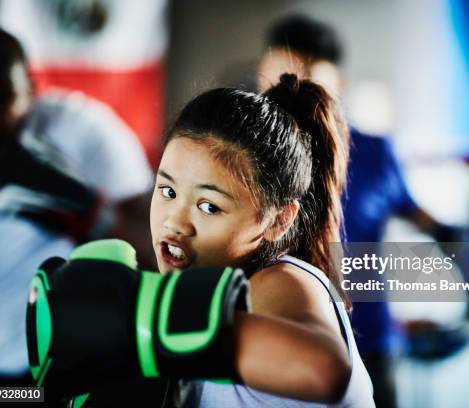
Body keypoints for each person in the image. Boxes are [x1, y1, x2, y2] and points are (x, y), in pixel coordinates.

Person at [25, 73, 375, 407]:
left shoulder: (280, 281)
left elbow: (323, 370)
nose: (174, 221)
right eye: (167, 190)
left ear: (278, 220)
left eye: (209, 206)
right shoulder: (203, 299)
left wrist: (136, 321)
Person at [256, 14, 463, 408]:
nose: (293, 86)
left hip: (367, 339)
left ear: (338, 82)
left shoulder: (376, 152)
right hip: (274, 333)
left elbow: (419, 216)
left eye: (308, 75)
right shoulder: (248, 155)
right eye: (283, 72)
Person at [0, 20, 154, 384]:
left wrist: (90, 217)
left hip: (44, 365)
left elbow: (159, 240)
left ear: (32, 89)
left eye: (3, 98)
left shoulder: (80, 127)